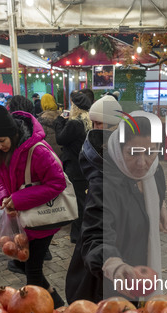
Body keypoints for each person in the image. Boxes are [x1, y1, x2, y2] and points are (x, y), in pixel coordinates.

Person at [65, 115, 167, 303]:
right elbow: (95, 234)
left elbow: (154, 192)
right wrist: (113, 263)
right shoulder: (103, 185)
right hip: (101, 282)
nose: (142, 163)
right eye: (133, 153)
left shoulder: (155, 172)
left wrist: (160, 206)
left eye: (150, 153)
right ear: (118, 148)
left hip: (135, 271)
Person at [0, 104, 65, 307]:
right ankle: (58, 305)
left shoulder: (37, 151)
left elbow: (57, 183)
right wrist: (5, 199)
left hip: (42, 219)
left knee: (33, 272)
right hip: (20, 218)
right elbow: (0, 179)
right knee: (25, 265)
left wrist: (18, 199)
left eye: (1, 141)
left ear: (13, 132)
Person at [55, 91, 92, 244]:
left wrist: (59, 121)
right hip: (86, 166)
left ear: (75, 106)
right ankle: (83, 232)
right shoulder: (88, 120)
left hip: (74, 167)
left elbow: (60, 139)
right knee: (83, 200)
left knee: (77, 202)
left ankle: (78, 235)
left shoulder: (74, 123)